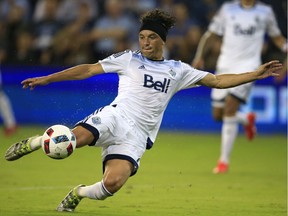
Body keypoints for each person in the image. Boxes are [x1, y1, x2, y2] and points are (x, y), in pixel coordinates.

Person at [4, 9, 282, 212]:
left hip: (137, 136)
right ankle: (37, 141)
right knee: (70, 143)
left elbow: (219, 81)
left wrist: (255, 74)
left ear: (162, 41)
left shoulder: (178, 70)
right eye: (142, 37)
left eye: (151, 37)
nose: (145, 42)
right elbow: (87, 70)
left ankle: (77, 193)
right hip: (114, 117)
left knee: (110, 186)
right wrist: (47, 78)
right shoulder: (127, 60)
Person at [192, 0, 287, 174]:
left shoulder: (265, 12)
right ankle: (245, 119)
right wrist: (199, 56)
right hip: (225, 66)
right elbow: (211, 34)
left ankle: (223, 162)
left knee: (230, 107)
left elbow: (277, 37)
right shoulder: (228, 9)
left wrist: (285, 47)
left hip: (249, 67)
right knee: (217, 115)